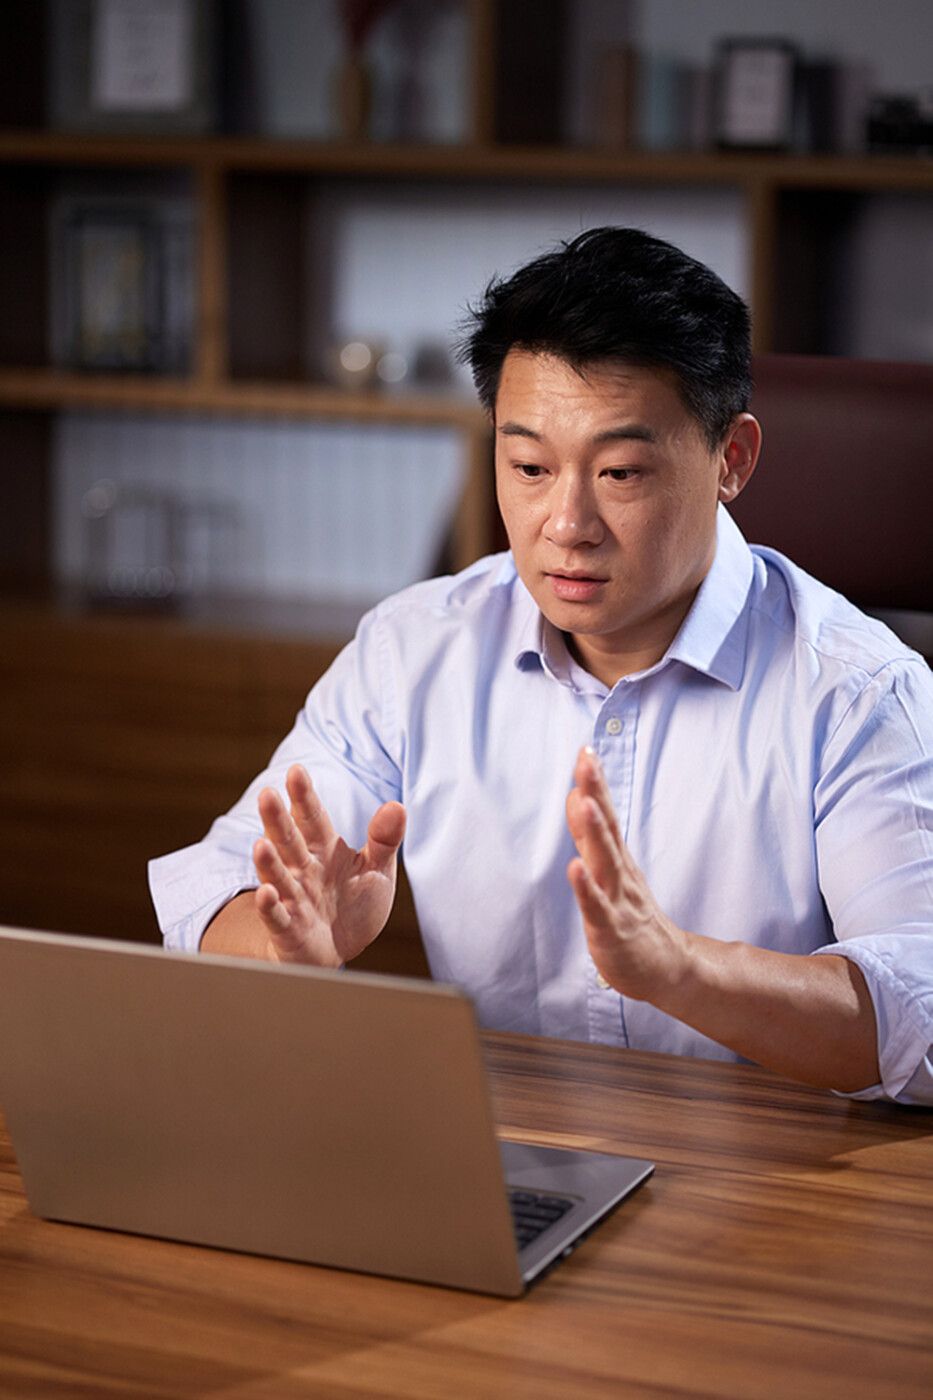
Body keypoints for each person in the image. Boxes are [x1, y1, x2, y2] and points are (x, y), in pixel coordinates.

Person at [149, 227, 933, 1105]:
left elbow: (921, 1017)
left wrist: (681, 971)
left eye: (621, 473)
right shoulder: (416, 648)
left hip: (771, 1185)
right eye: (527, 465)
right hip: (501, 1167)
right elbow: (216, 888)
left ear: (731, 460)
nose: (565, 522)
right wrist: (287, 947)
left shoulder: (860, 692)